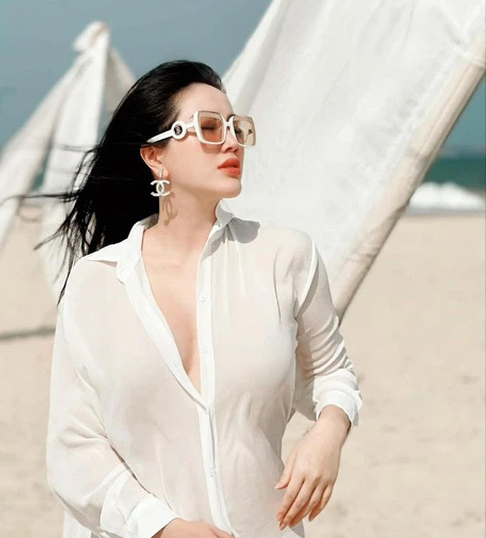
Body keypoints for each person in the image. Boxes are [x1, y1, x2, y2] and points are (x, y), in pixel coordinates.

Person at [41, 60, 362, 538]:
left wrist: (329, 434)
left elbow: (332, 373)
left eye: (236, 127)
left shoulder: (285, 256)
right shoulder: (95, 283)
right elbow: (74, 446)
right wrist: (162, 526)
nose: (231, 142)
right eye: (210, 128)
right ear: (156, 157)